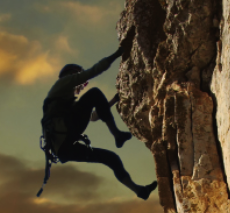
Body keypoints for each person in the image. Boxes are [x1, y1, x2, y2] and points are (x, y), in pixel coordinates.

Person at [41, 47, 158, 200]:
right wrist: (116, 54)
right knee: (94, 93)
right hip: (68, 136)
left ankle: (139, 191)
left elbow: (93, 117)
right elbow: (93, 71)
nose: (79, 83)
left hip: (65, 148)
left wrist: (113, 101)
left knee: (111, 158)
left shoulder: (64, 102)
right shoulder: (62, 84)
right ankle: (116, 134)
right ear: (69, 75)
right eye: (76, 75)